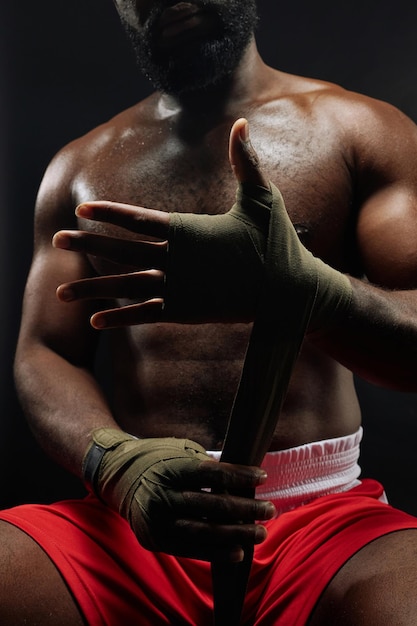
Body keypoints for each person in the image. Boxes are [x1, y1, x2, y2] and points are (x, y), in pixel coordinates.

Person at [3, 0, 417, 624]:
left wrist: (315, 294)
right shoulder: (79, 169)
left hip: (320, 518)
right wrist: (115, 463)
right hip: (134, 515)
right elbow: (46, 353)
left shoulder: (362, 131)